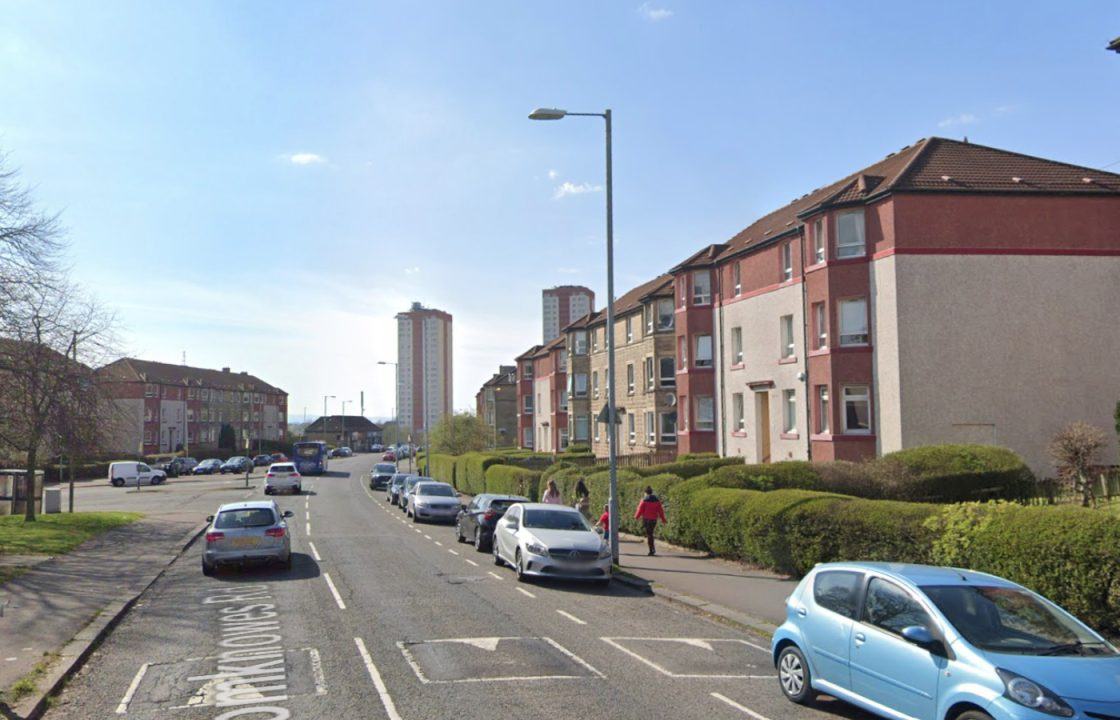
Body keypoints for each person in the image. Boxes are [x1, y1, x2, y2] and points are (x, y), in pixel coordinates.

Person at [634, 486, 667, 556]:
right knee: (650, 533)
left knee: (649, 534)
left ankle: (651, 549)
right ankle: (652, 548)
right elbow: (660, 511)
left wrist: (636, 517)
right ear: (651, 492)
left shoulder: (644, 500)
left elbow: (640, 510)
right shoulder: (657, 500)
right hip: (654, 519)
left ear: (645, 493)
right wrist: (663, 519)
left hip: (646, 519)